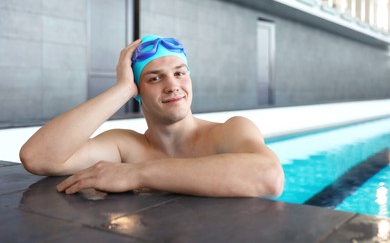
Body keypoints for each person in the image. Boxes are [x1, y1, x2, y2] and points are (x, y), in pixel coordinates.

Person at [20, 35, 284, 197]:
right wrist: (121, 89)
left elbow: (269, 177)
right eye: (155, 78)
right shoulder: (126, 146)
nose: (172, 85)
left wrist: (137, 174)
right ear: (138, 91)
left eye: (180, 73)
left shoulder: (230, 131)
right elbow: (38, 158)